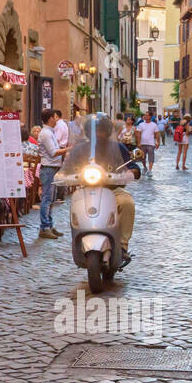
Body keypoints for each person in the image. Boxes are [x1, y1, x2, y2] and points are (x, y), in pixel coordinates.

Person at [59, 115, 136, 265]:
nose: (98, 134)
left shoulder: (118, 148)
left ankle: (122, 245)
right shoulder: (80, 149)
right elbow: (66, 168)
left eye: (101, 130)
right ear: (88, 132)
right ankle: (78, 239)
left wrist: (131, 172)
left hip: (112, 190)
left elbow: (132, 166)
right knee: (75, 205)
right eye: (94, 131)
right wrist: (62, 174)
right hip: (86, 190)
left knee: (127, 203)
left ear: (108, 131)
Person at [36, 108, 64, 239]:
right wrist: (68, 149)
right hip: (48, 169)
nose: (57, 119)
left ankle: (50, 225)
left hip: (52, 168)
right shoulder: (46, 133)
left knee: (51, 199)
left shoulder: (50, 132)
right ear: (51, 118)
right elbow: (53, 152)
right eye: (55, 117)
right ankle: (45, 227)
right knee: (47, 199)